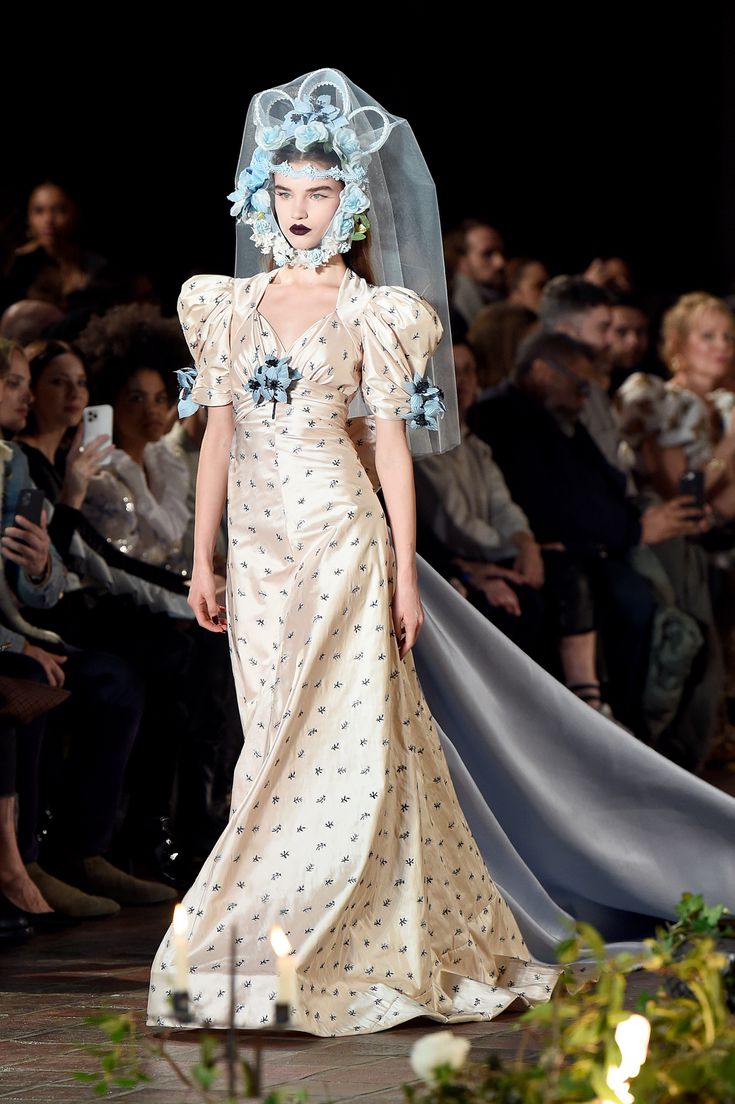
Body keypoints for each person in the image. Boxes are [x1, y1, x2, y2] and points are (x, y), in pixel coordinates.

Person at [147, 68, 735, 1039]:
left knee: (339, 736)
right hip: (253, 545)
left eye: (320, 193)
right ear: (263, 196)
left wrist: (402, 566)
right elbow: (216, 434)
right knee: (271, 735)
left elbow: (388, 447)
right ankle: (286, 928)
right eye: (286, 192)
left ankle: (342, 943)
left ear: (348, 203)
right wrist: (201, 557)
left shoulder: (374, 310)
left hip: (341, 531)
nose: (300, 210)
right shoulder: (223, 304)